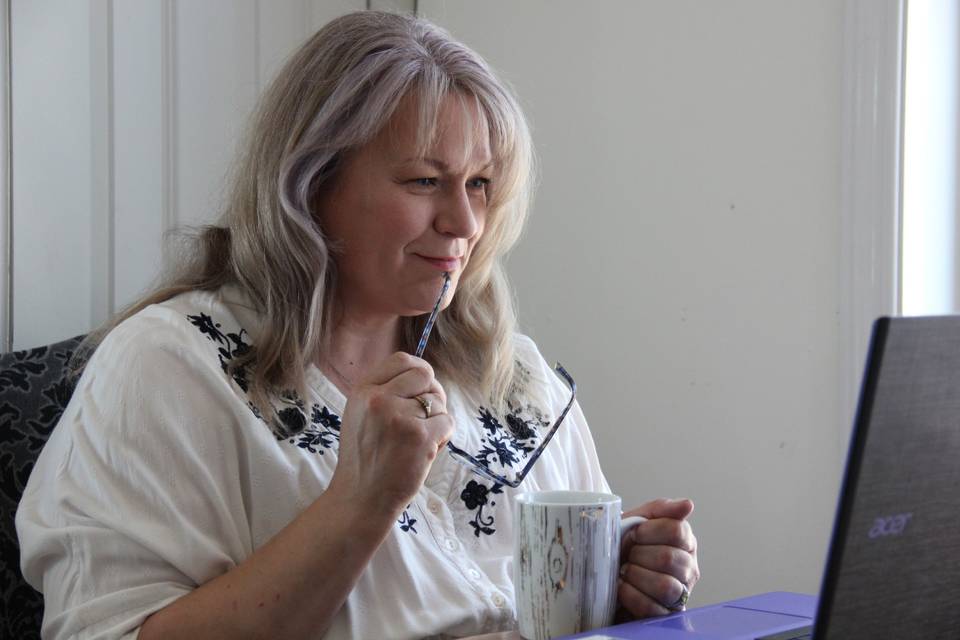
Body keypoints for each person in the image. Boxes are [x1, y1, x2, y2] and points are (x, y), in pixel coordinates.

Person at [16, 10, 699, 640]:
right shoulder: (169, 368)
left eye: (481, 185)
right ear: (311, 185)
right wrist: (361, 499)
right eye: (426, 182)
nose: (463, 224)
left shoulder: (515, 378)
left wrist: (622, 582)